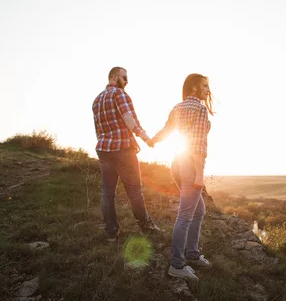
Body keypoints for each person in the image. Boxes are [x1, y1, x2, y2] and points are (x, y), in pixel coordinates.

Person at [149, 73, 214, 282]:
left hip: (176, 164)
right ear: (194, 88)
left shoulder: (178, 107)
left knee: (199, 210)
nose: (208, 90)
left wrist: (153, 140)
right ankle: (177, 265)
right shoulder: (200, 109)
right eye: (204, 86)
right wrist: (199, 173)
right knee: (185, 215)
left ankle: (192, 254)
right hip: (190, 166)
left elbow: (167, 131)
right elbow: (197, 144)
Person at [92, 66, 163, 242]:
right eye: (124, 77)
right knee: (135, 191)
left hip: (103, 149)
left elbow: (98, 129)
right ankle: (146, 227)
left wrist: (103, 142)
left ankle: (111, 233)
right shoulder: (119, 94)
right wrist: (147, 139)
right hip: (122, 149)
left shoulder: (96, 100)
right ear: (114, 77)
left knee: (107, 193)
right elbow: (129, 119)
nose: (127, 81)